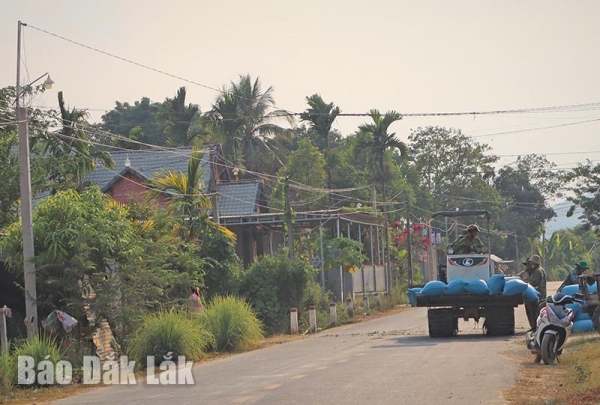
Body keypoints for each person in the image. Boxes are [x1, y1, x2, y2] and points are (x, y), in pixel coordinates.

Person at [520, 254, 547, 332]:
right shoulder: (539, 270)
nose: (531, 264)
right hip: (539, 294)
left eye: (531, 263)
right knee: (536, 312)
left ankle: (535, 328)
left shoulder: (537, 271)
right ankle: (535, 328)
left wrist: (524, 284)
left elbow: (534, 283)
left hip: (538, 295)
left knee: (535, 312)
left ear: (535, 263)